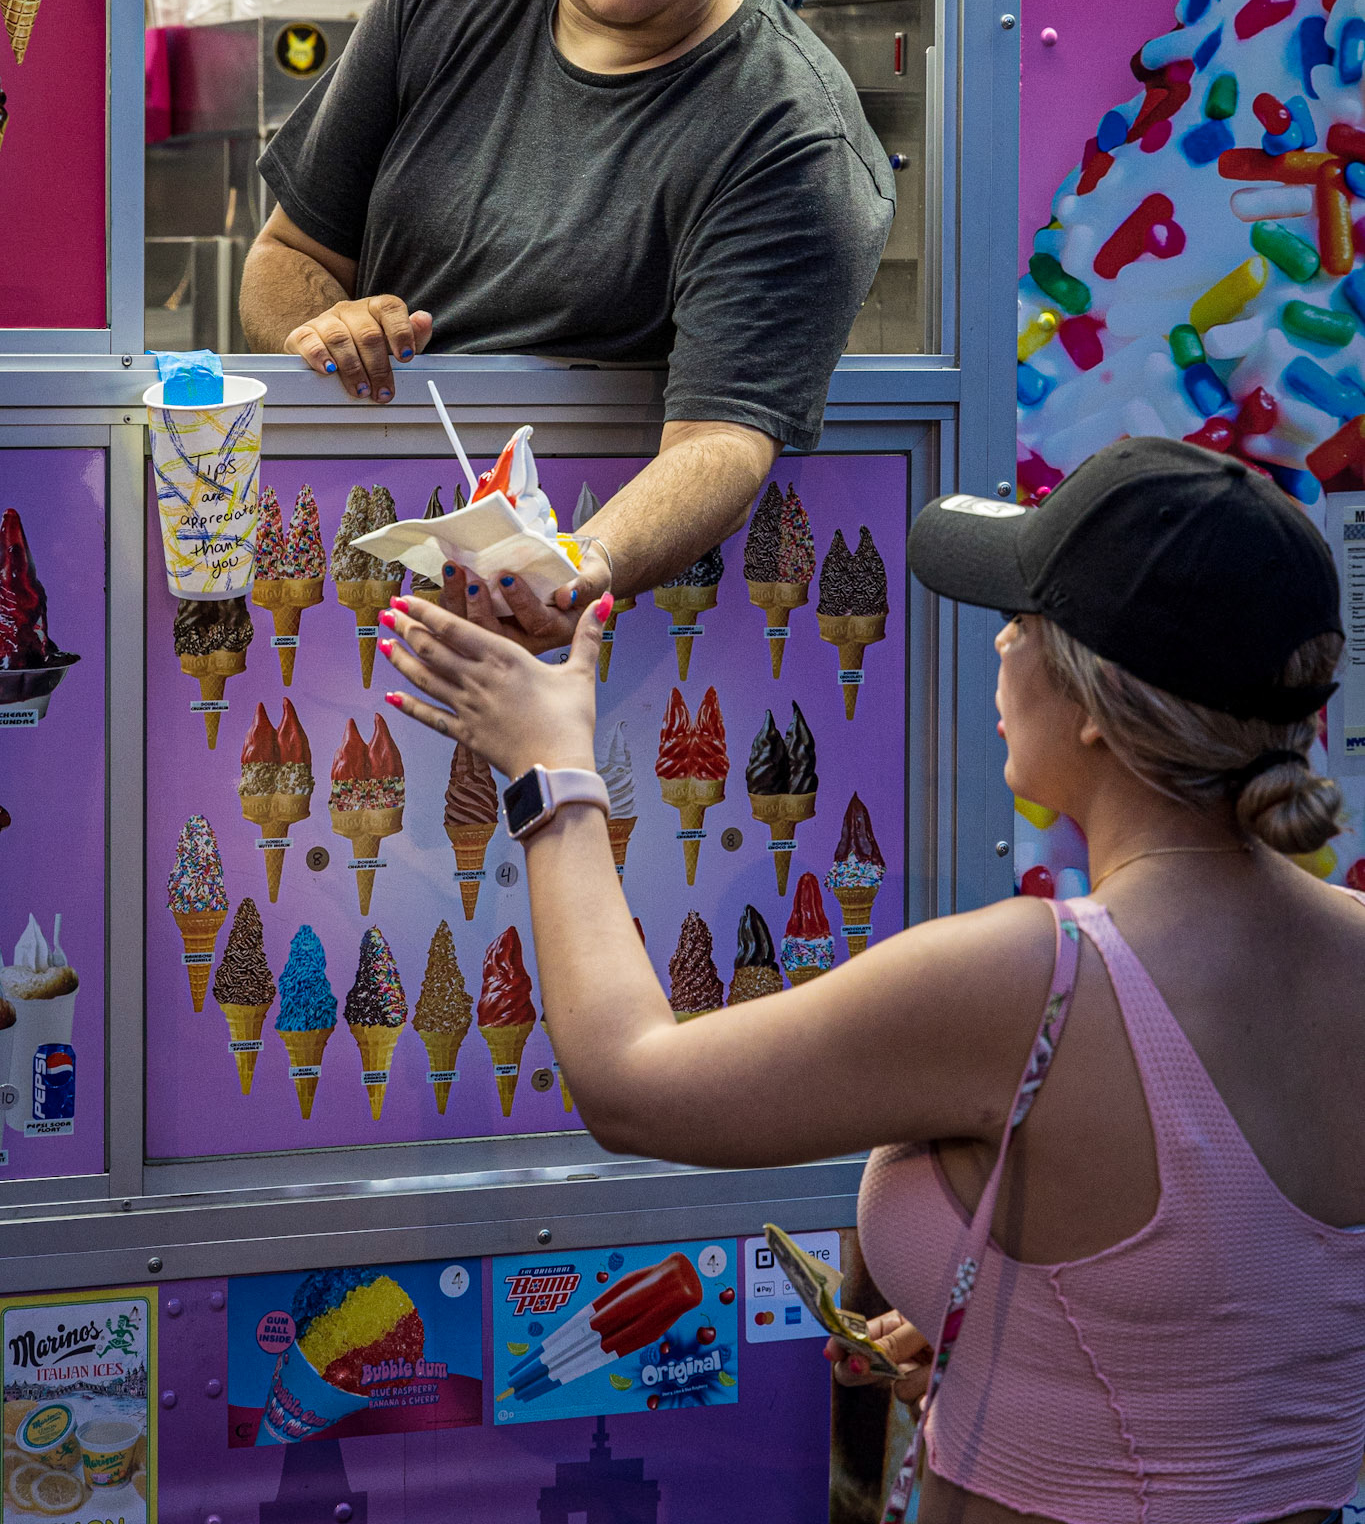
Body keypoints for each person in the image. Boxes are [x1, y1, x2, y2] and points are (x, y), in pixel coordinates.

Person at [377, 436, 1365, 1524]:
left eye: (1023, 618)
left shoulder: (1033, 979)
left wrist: (551, 771)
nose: (1000, 642)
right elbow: (1236, 1309)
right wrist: (1027, 1346)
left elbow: (629, 1082)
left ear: (1100, 702)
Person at [239, 0, 894, 652]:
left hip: (609, 581)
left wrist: (573, 568)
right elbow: (286, 257)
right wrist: (323, 328)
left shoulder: (790, 132)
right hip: (347, 539)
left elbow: (721, 442)